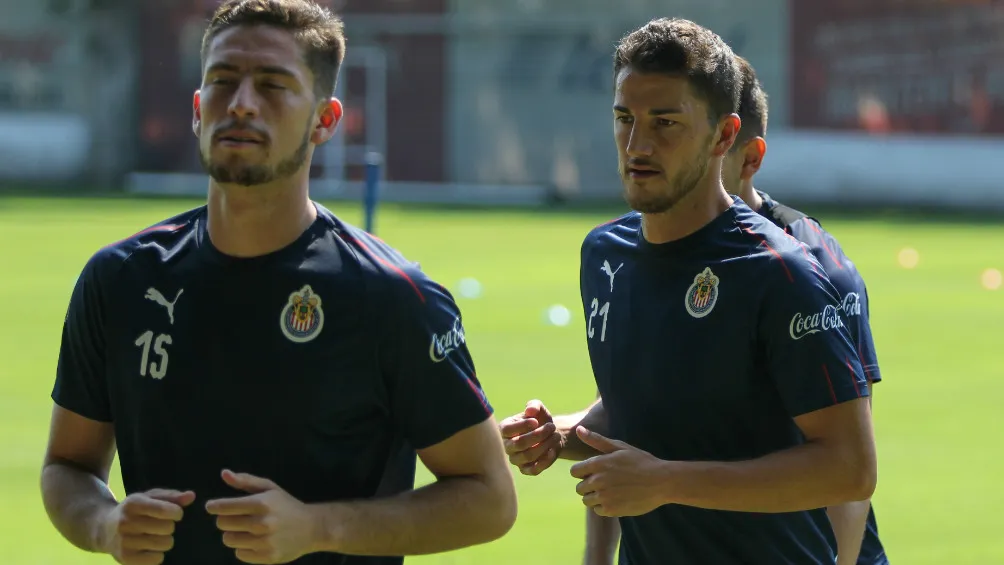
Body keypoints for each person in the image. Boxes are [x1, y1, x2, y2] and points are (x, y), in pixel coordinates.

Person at [40, 1, 517, 564]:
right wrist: (103, 525)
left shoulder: (390, 297)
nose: (241, 104)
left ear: (325, 120)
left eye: (272, 85)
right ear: (197, 109)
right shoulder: (120, 277)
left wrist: (320, 528)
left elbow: (490, 498)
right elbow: (66, 467)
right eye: (222, 82)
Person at [499, 18, 876, 565]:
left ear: (724, 136)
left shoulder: (781, 272)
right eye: (624, 119)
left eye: (665, 122)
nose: (637, 144)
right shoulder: (603, 254)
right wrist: (560, 435)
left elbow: (850, 468)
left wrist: (666, 483)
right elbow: (648, 412)